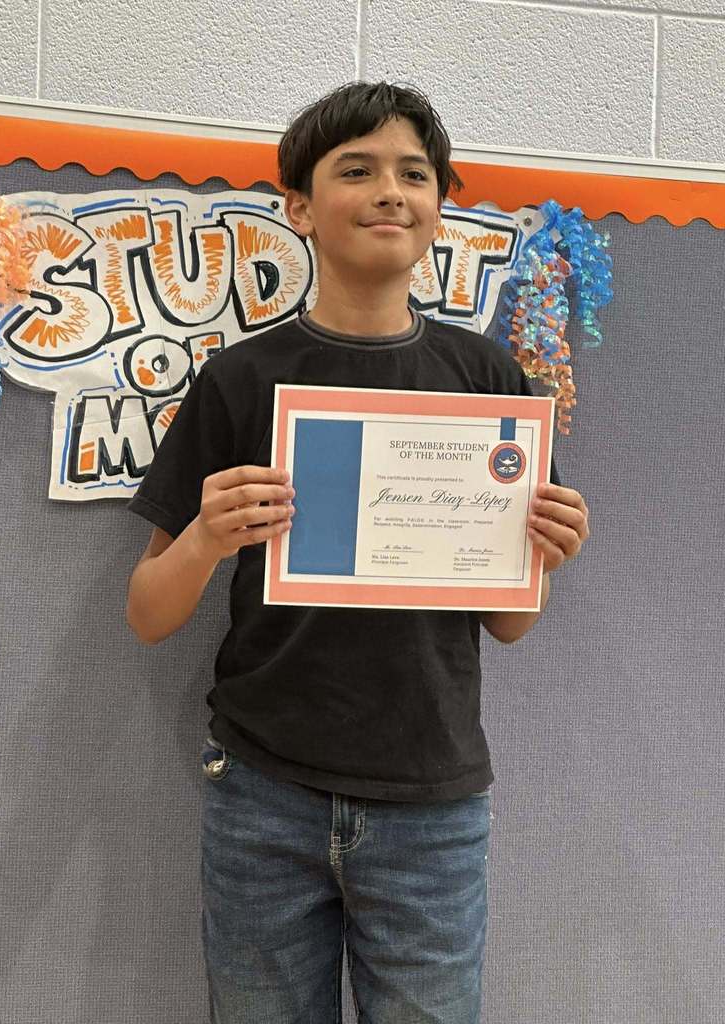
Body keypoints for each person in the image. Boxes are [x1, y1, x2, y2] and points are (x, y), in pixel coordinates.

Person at [126, 81, 590, 1024]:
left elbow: (508, 622)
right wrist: (211, 538)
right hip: (264, 792)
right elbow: (148, 611)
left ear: (439, 206)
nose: (391, 190)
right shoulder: (243, 378)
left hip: (433, 802)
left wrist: (542, 553)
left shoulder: (489, 383)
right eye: (357, 169)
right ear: (298, 206)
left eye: (414, 173)